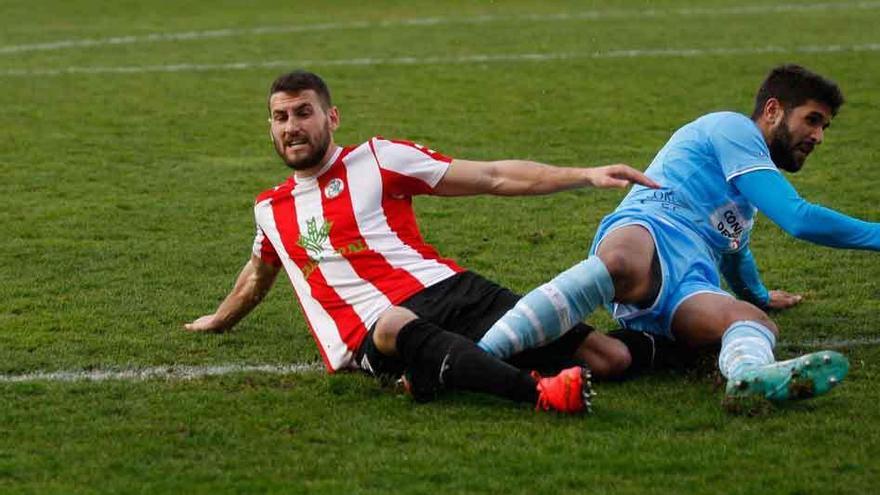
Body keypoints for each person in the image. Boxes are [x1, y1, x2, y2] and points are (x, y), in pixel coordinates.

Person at [185, 69, 663, 414]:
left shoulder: (379, 158)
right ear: (270, 127)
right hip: (376, 331)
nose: (292, 127)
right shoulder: (270, 209)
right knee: (394, 322)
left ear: (331, 117)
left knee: (610, 358)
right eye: (280, 117)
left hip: (450, 290)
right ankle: (538, 393)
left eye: (303, 113)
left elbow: (492, 176)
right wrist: (218, 320)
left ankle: (680, 344)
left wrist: (584, 175)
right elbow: (258, 273)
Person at [478, 64, 865, 405]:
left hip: (687, 284)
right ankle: (478, 354)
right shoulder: (732, 128)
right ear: (773, 110)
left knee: (750, 321)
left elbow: (735, 253)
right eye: (812, 120)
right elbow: (798, 218)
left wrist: (760, 298)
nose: (818, 136)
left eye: (824, 127)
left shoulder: (745, 196)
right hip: (650, 228)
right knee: (620, 264)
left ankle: (749, 377)